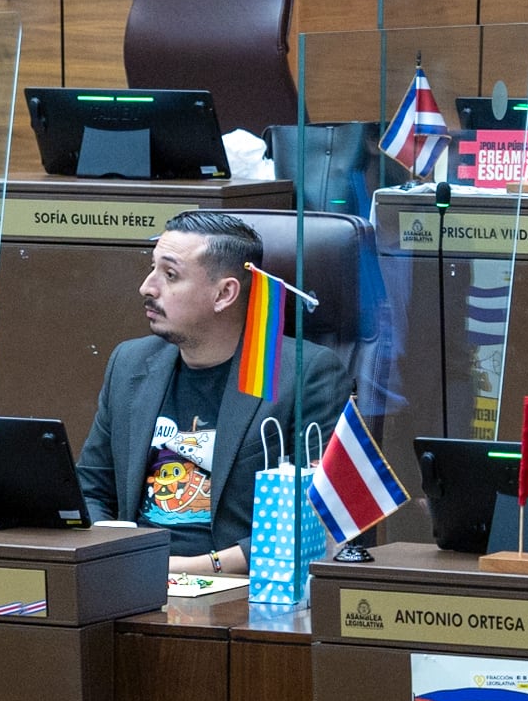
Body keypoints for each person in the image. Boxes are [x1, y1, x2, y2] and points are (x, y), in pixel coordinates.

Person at [73, 210, 352, 577]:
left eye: (170, 275)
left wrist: (193, 568)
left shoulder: (303, 375)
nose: (147, 287)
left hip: (238, 587)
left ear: (224, 294)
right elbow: (91, 488)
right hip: (133, 579)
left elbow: (315, 517)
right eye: (152, 268)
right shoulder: (131, 363)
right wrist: (111, 554)